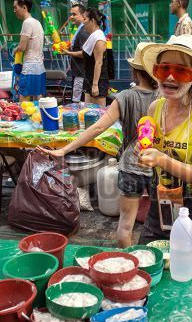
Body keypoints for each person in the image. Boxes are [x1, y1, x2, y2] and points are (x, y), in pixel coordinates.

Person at [37, 42, 157, 248]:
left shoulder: (125, 97)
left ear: (134, 70)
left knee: (126, 225)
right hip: (159, 165)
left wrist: (64, 149)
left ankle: (127, 266)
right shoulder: (164, 97)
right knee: (160, 223)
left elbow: (96, 129)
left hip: (130, 166)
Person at [137, 34, 192, 261]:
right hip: (159, 201)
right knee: (148, 260)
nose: (171, 77)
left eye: (181, 71)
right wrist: (142, 154)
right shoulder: (154, 108)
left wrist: (161, 158)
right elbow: (148, 148)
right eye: (164, 69)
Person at [65, 8, 108, 106]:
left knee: (99, 113)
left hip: (97, 81)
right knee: (88, 112)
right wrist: (68, 52)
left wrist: (95, 84)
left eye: (84, 19)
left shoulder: (99, 38)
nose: (83, 22)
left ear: (92, 21)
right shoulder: (93, 36)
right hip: (89, 78)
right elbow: (85, 54)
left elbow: (98, 62)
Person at [13, 0, 46, 101]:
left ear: (24, 8)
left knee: (23, 101)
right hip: (40, 67)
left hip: (30, 68)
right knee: (38, 99)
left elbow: (22, 47)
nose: (14, 11)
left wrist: (15, 49)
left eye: (15, 7)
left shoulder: (27, 23)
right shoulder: (37, 22)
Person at [63, 4, 89, 103]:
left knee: (78, 102)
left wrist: (68, 53)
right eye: (71, 14)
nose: (71, 17)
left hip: (80, 73)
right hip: (78, 72)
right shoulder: (79, 30)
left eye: (74, 14)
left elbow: (84, 53)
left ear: (83, 16)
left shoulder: (83, 31)